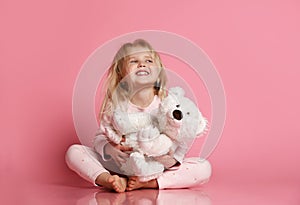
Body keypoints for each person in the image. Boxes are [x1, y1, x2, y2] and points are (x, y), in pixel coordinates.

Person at [65, 39, 212, 193]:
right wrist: (109, 149)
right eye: (134, 61)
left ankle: (151, 183)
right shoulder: (117, 106)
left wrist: (169, 158)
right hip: (120, 166)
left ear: (158, 71)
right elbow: (101, 136)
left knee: (203, 167)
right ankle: (108, 179)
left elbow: (178, 138)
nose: (142, 64)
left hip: (154, 167)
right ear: (122, 73)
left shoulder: (167, 104)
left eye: (148, 60)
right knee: (74, 152)